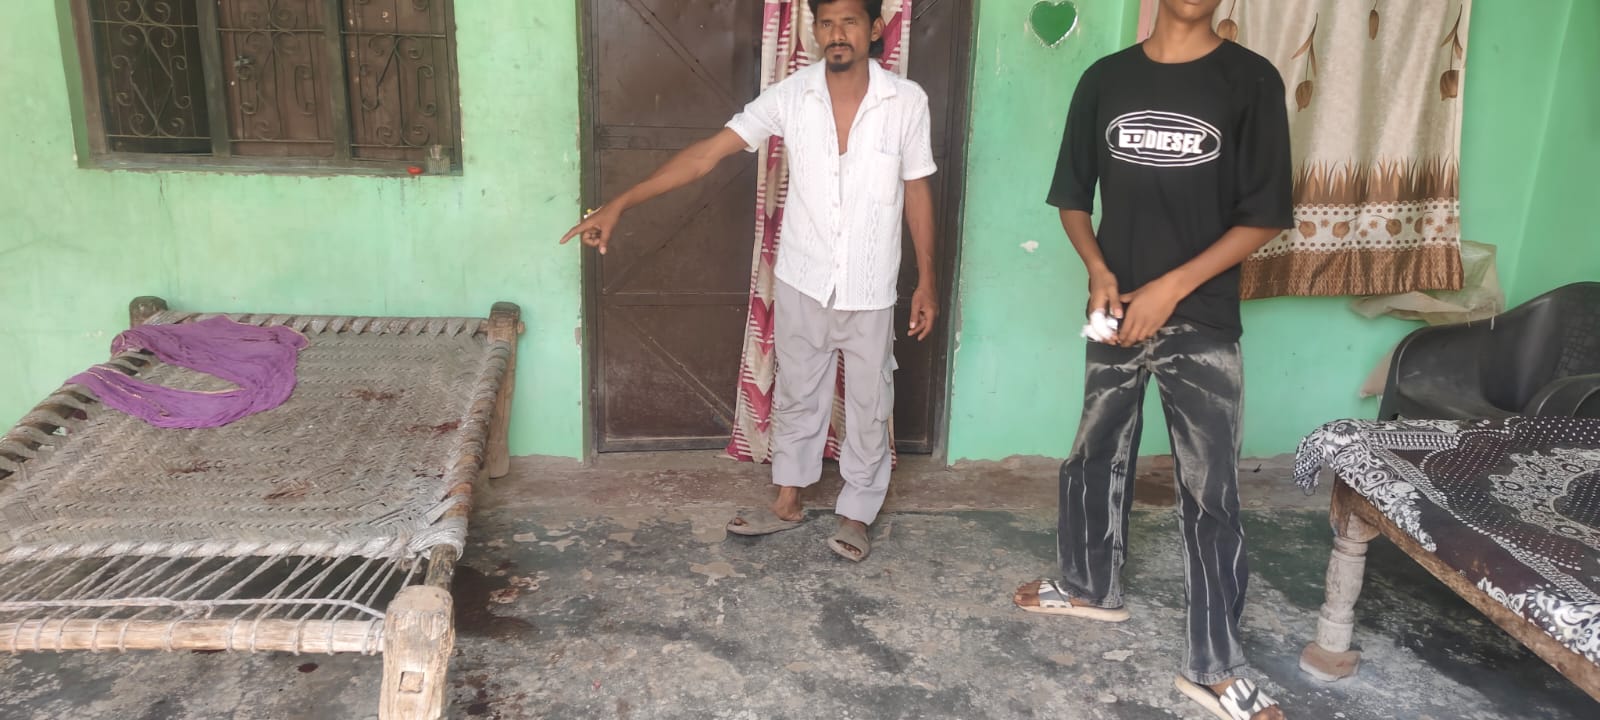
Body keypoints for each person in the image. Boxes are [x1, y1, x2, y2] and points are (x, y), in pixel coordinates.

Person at [560, 0, 938, 563]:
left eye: (850, 21)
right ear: (814, 30)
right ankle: (788, 500)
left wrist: (927, 279)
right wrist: (621, 203)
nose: (837, 33)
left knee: (870, 402)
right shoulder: (792, 96)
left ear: (875, 28)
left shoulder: (905, 101)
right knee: (797, 393)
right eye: (826, 22)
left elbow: (917, 188)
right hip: (803, 277)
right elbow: (706, 156)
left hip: (871, 285)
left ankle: (857, 511)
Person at [1009, 0, 1293, 718]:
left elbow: (1264, 216)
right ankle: (1088, 586)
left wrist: (1172, 287)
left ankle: (1214, 667)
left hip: (1201, 314)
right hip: (1115, 305)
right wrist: (1097, 271)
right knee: (1093, 452)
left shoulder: (1251, 80)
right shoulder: (1105, 80)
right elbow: (1073, 197)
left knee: (1210, 488)